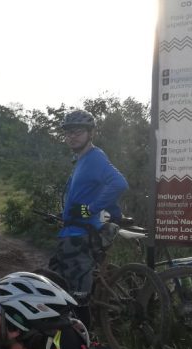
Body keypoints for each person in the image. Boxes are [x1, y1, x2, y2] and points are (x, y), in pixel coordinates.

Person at [48, 110, 128, 328]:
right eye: (68, 133)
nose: (72, 136)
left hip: (81, 236)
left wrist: (89, 210)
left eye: (78, 132)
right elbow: (93, 190)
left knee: (77, 296)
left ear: (90, 133)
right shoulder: (82, 160)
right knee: (56, 285)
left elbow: (119, 183)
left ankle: (84, 345)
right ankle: (65, 337)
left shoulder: (94, 157)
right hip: (71, 234)